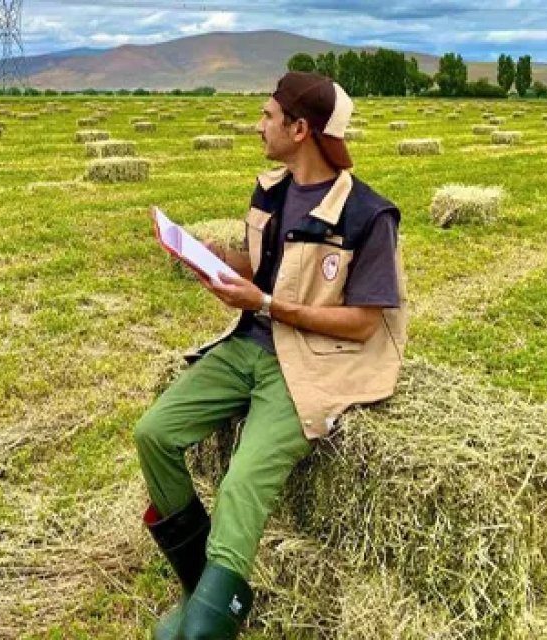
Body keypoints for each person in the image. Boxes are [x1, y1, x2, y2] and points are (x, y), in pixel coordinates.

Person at [134, 72, 409, 640]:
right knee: (154, 433)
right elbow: (265, 269)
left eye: (267, 115)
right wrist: (216, 259)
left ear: (300, 128)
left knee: (240, 485)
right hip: (249, 345)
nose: (258, 124)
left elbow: (362, 323)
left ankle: (206, 628)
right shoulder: (272, 191)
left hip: (312, 363)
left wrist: (265, 302)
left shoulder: (367, 215)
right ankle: (202, 592)